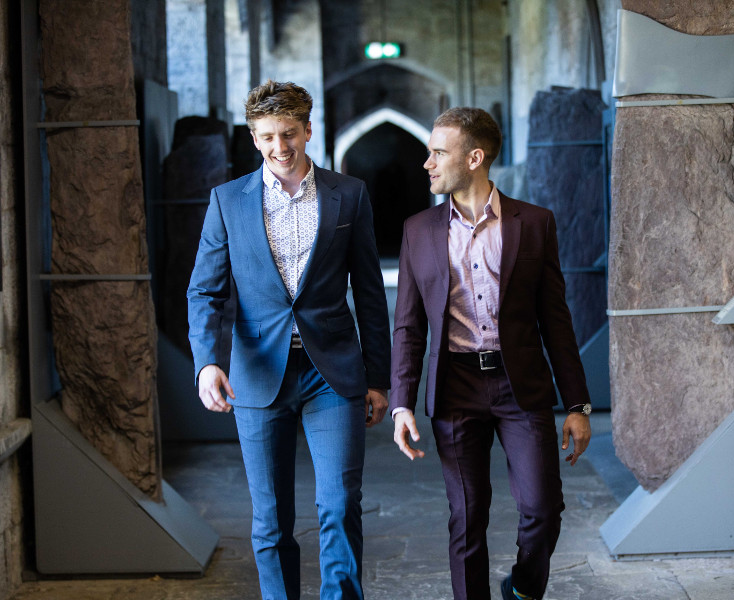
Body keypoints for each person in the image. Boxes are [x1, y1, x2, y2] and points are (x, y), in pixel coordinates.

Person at [187, 80, 390, 600]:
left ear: (308, 129)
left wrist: (379, 378)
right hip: (257, 374)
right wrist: (208, 362)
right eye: (269, 136)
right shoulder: (227, 201)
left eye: (290, 134)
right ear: (254, 138)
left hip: (334, 373)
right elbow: (204, 292)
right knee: (271, 517)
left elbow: (369, 292)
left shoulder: (350, 194)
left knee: (340, 503)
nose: (281, 148)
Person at [390, 107, 591, 600]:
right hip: (454, 389)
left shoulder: (535, 223)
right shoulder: (419, 229)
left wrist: (578, 404)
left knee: (543, 508)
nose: (428, 163)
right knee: (467, 515)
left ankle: (523, 587)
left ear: (474, 157)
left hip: (518, 386)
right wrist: (401, 402)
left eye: (438, 152)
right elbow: (409, 327)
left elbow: (556, 321)